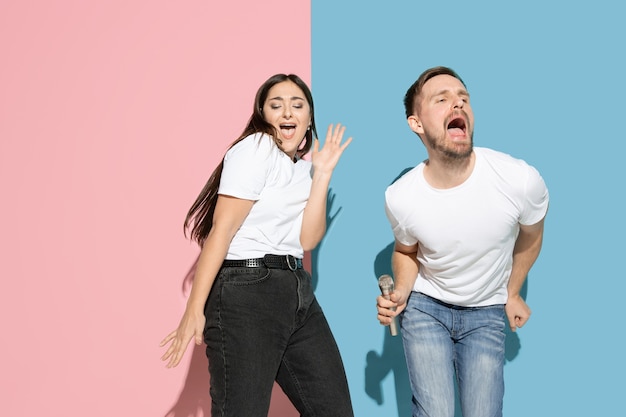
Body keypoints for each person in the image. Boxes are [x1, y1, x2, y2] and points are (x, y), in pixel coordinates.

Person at [160, 73, 354, 417]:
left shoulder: (305, 170)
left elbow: (307, 239)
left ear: (309, 118)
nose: (287, 112)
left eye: (297, 105)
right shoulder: (257, 148)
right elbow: (223, 228)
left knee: (334, 410)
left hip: (296, 291)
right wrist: (194, 308)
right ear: (262, 115)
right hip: (247, 292)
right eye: (275, 105)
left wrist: (322, 174)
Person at [376, 66, 549, 417]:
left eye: (463, 98)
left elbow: (532, 235)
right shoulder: (401, 196)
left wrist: (512, 292)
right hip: (426, 309)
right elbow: (406, 251)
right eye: (442, 99)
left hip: (486, 311)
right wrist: (400, 295)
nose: (458, 104)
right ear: (417, 123)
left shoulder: (519, 179)